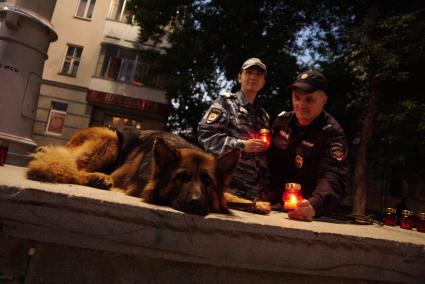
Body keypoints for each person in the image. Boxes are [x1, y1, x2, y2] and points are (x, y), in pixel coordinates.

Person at [268, 71, 349, 219]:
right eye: (296, 98)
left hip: (309, 211)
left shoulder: (332, 133)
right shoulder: (282, 122)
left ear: (323, 100)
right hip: (272, 206)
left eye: (309, 100)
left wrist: (314, 205)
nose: (301, 105)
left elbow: (333, 175)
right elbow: (268, 161)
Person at [198, 58, 270, 201]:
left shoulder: (263, 116)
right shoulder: (225, 103)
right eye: (249, 72)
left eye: (258, 74)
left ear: (263, 82)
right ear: (239, 77)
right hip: (224, 188)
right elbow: (206, 137)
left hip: (253, 195)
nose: (253, 77)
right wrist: (242, 145)